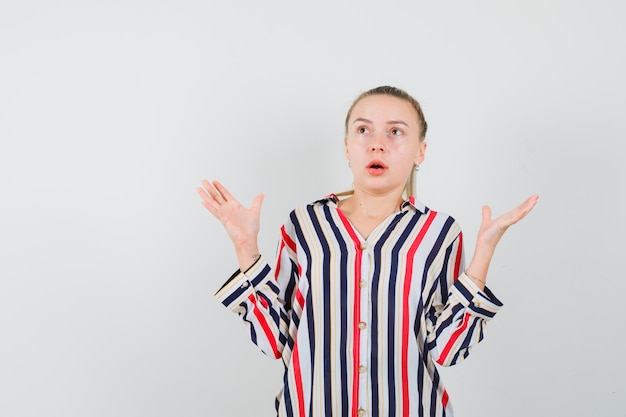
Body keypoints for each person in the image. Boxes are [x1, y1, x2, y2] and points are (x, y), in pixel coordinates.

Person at [197, 86, 538, 417]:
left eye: (395, 132)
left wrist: (483, 253)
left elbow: (447, 350)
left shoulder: (440, 234)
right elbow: (275, 341)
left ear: (420, 151)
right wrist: (245, 248)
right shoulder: (303, 225)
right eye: (364, 130)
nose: (377, 144)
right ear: (347, 147)